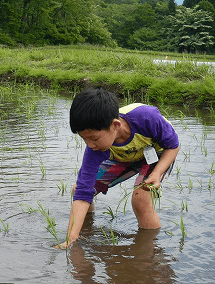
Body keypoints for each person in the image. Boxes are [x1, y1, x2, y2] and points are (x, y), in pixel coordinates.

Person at [60, 87, 179, 249]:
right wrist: (70, 240)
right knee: (79, 189)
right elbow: (82, 193)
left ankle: (149, 252)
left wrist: (157, 173)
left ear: (115, 125)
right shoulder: (96, 149)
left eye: (94, 138)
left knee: (140, 198)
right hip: (123, 158)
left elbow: (172, 146)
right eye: (85, 139)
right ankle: (86, 228)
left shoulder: (146, 118)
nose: (90, 145)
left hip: (155, 155)